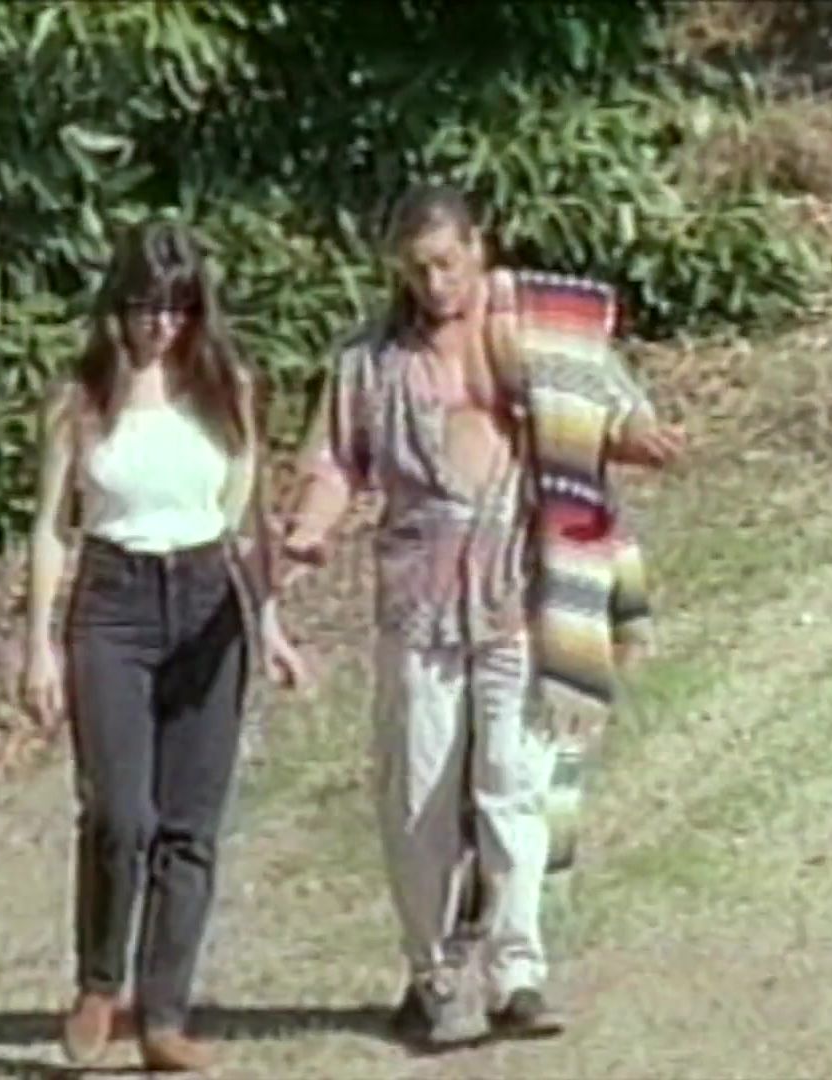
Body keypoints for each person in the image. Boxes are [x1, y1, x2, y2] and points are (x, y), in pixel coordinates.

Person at [280, 183, 684, 1049]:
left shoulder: (533, 333)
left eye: (446, 264)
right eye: (417, 270)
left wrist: (632, 438)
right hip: (419, 600)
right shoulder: (369, 360)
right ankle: (432, 972)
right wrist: (309, 525)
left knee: (513, 782)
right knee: (419, 795)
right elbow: (335, 459)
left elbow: (600, 407)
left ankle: (517, 972)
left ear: (478, 249)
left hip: (517, 589)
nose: (434, 285)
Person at [21, 218, 306, 1073]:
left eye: (178, 309)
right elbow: (51, 527)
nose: (161, 326)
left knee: (191, 823)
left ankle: (165, 1011)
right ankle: (99, 982)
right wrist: (37, 643)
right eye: (146, 307)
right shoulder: (79, 400)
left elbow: (247, 521)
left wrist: (269, 623)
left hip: (206, 598)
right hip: (113, 600)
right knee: (120, 815)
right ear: (118, 306)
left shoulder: (228, 388)